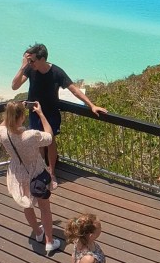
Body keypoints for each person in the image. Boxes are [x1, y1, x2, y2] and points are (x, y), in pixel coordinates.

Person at [11, 43, 107, 191]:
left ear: (42, 59)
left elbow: (74, 90)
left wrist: (91, 105)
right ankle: (41, 171)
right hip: (35, 112)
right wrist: (22, 67)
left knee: (50, 142)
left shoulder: (57, 72)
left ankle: (52, 173)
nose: (30, 63)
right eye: (29, 61)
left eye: (32, 60)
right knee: (38, 143)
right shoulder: (30, 69)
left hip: (51, 113)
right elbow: (14, 86)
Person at [0, 100, 61, 255]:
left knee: (27, 205)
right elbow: (49, 137)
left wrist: (10, 113)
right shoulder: (30, 135)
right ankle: (49, 241)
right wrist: (40, 113)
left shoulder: (4, 134)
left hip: (18, 172)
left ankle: (38, 232)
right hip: (36, 172)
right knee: (45, 208)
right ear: (22, 117)